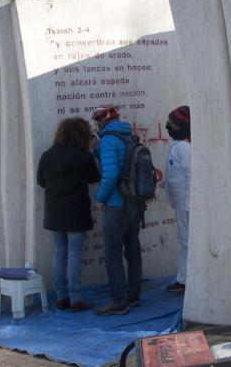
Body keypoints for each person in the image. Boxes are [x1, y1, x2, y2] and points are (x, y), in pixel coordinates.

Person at [37, 117, 100, 312]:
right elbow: (95, 178)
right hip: (76, 209)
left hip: (55, 209)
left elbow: (41, 181)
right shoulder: (84, 157)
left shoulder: (47, 155)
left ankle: (61, 297)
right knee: (74, 254)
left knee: (59, 253)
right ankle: (76, 298)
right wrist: (93, 150)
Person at [91, 104, 144, 316]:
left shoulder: (109, 141)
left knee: (113, 254)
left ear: (102, 121)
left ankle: (118, 302)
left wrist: (100, 198)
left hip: (116, 204)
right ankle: (134, 295)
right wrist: (97, 148)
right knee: (133, 250)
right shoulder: (129, 136)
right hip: (134, 202)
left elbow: (111, 175)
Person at [163, 106, 191, 294]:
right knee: (184, 240)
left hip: (186, 203)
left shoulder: (185, 148)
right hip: (181, 201)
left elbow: (190, 174)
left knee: (187, 241)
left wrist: (189, 201)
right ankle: (184, 278)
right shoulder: (180, 146)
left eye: (172, 124)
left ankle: (185, 279)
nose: (168, 127)